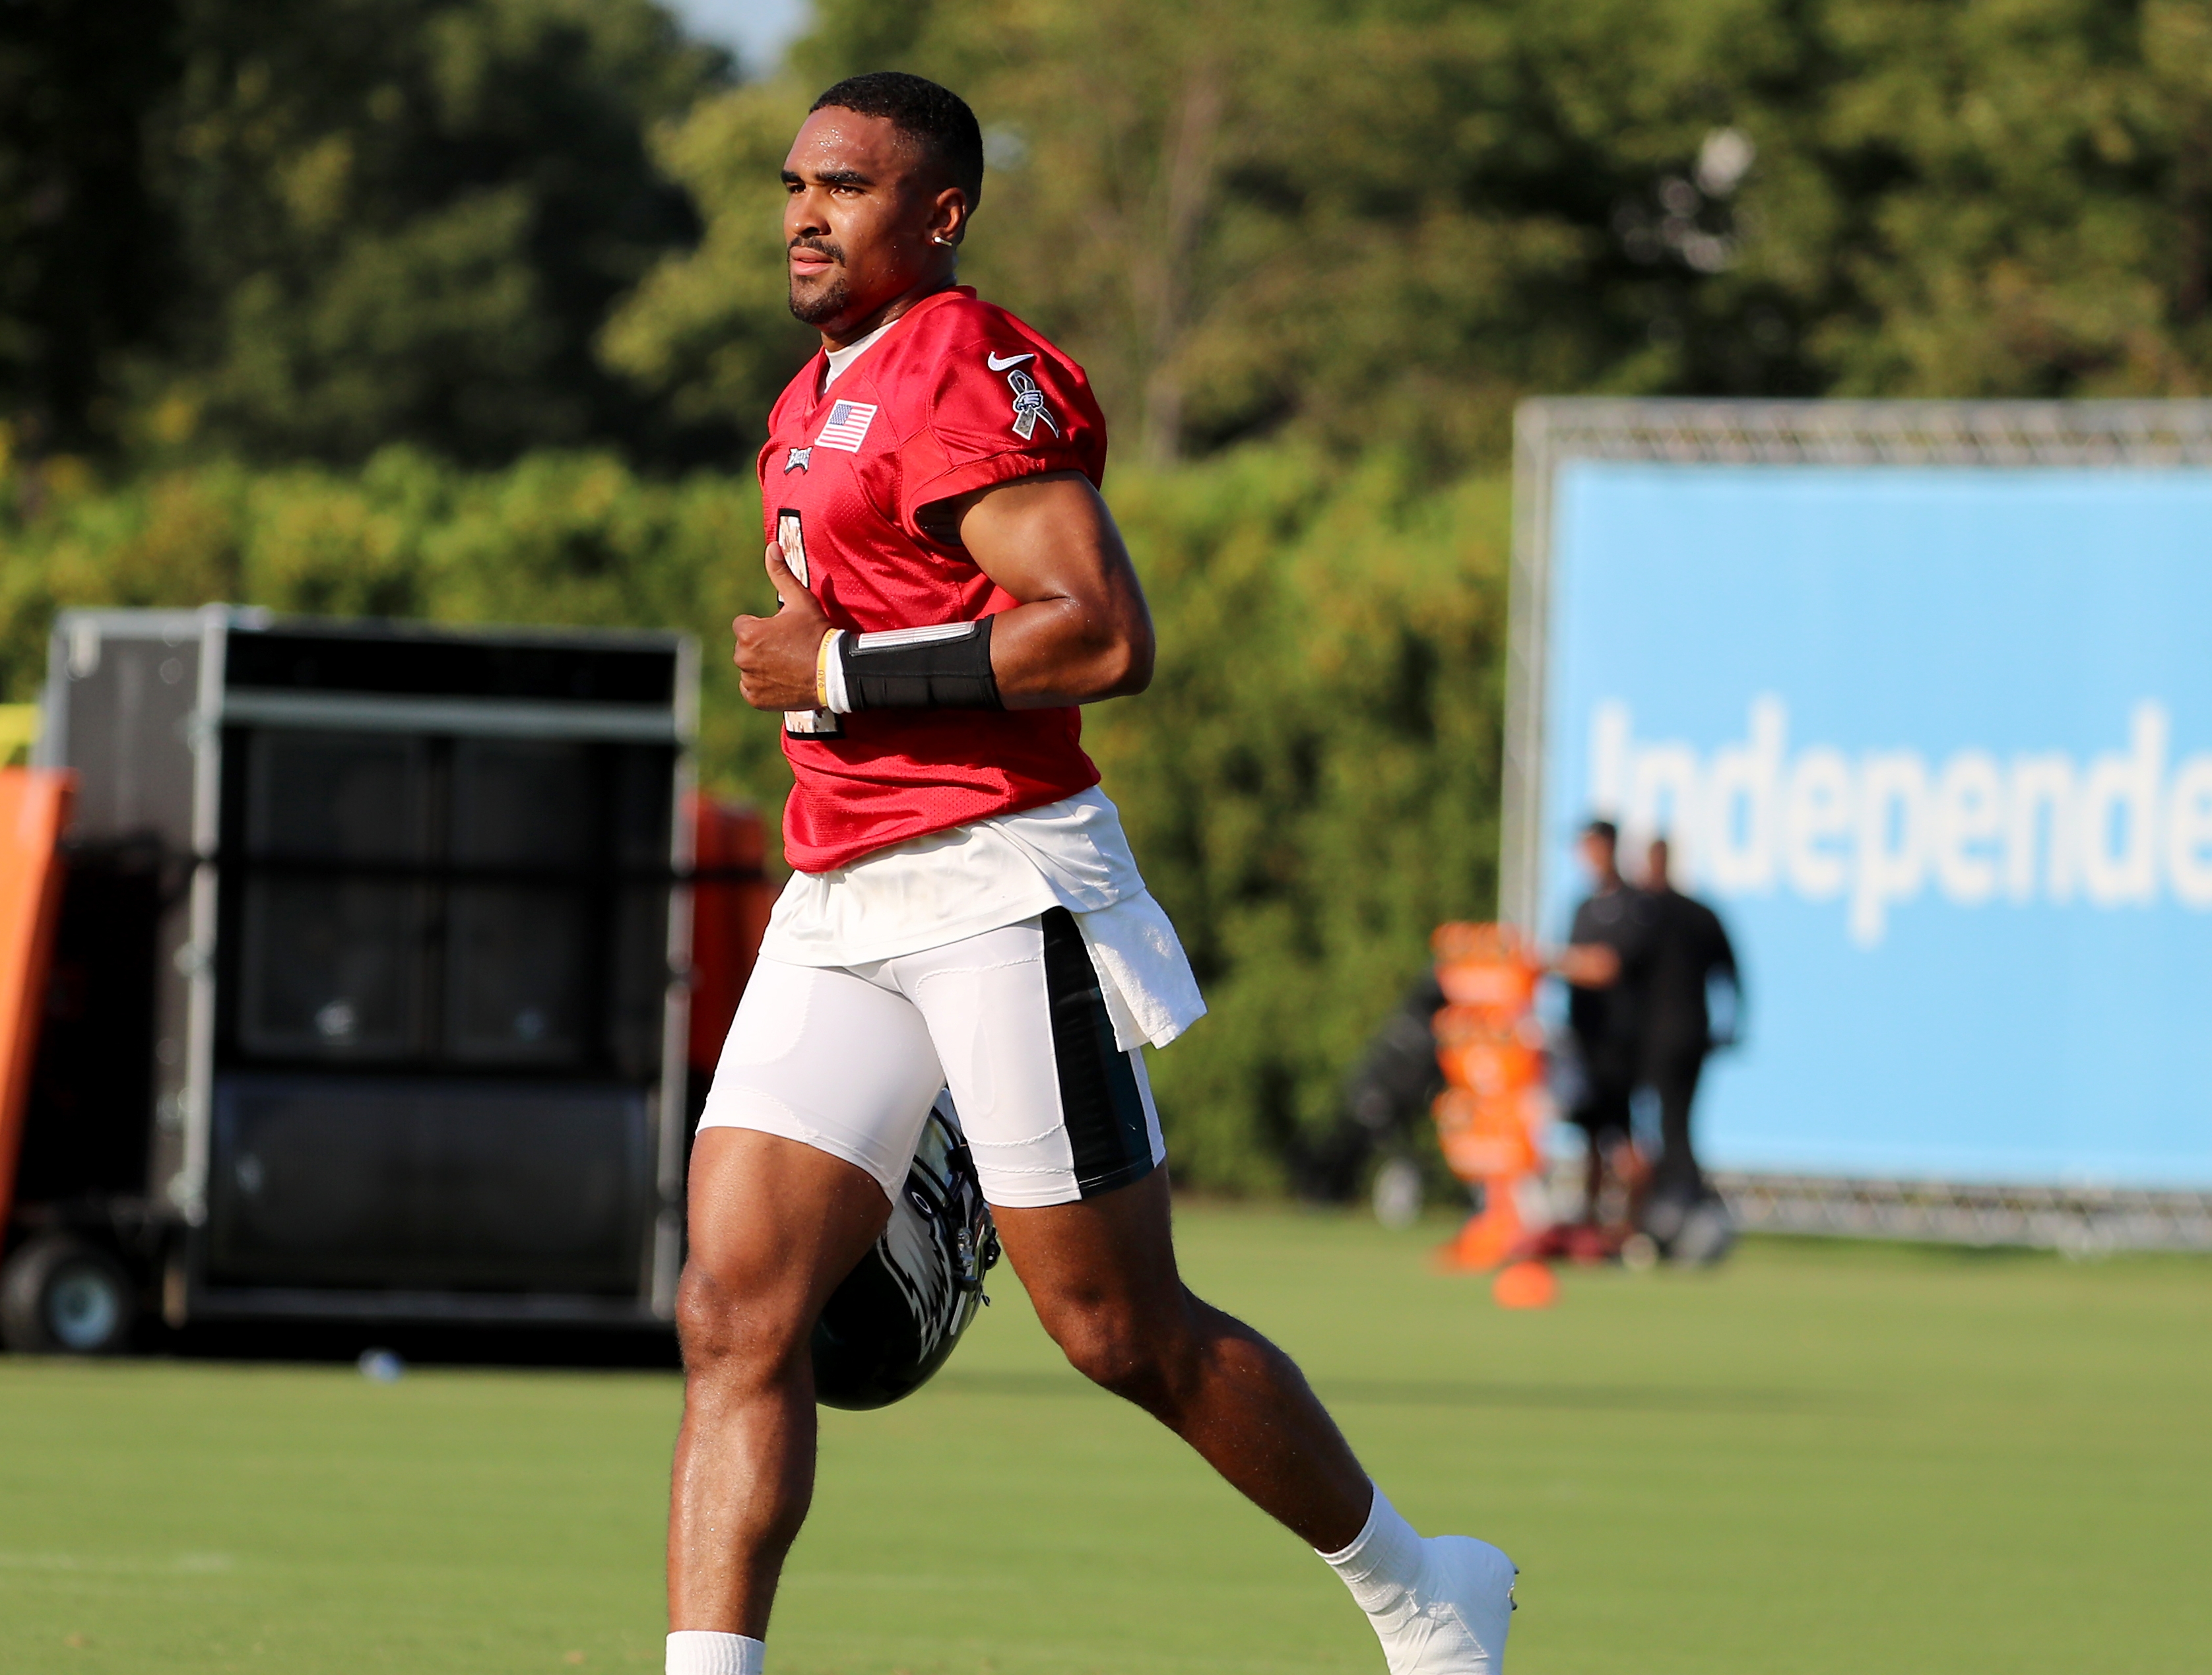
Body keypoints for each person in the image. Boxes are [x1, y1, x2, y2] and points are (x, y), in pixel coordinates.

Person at [668, 72, 1516, 1675]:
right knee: (732, 1307)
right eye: (795, 182)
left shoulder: (966, 370)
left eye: (845, 185)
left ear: (941, 213)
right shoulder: (810, 393)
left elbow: (1098, 632)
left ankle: (1422, 1590)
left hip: (998, 880)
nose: (802, 211)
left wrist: (841, 675)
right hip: (844, 891)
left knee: (1120, 1330)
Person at [1635, 837, 1740, 1252]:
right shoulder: (1697, 913)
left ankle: (1679, 1206)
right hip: (1685, 1035)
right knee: (1670, 1125)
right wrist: (1731, 1025)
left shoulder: (1651, 914)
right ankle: (1676, 1201)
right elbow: (1733, 976)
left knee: (1670, 1124)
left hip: (1664, 1037)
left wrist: (1730, 1024)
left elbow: (1731, 974)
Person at [1554, 819, 1657, 1232]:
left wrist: (1556, 961)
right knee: (1591, 1138)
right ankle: (1590, 1227)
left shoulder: (1635, 906)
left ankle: (1634, 1227)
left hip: (1621, 1042)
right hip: (1586, 1040)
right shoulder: (1584, 907)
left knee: (1627, 1139)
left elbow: (1605, 966)